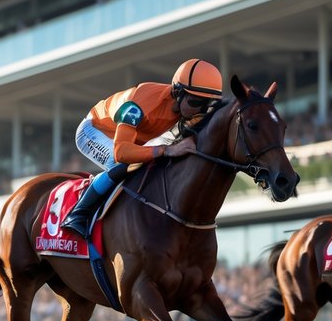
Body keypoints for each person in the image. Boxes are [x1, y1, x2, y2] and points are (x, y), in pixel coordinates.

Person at [60, 58, 224, 239]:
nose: (198, 110)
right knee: (119, 164)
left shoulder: (187, 109)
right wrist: (164, 150)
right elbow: (121, 152)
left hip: (130, 139)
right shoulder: (140, 103)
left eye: (205, 104)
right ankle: (78, 214)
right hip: (93, 131)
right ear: (177, 92)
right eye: (195, 102)